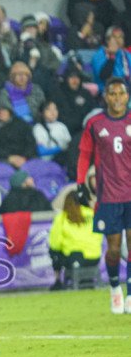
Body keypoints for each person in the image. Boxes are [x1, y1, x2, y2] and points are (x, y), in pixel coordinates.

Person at [76, 77, 131, 313]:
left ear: (127, 96)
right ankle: (115, 287)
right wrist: (80, 183)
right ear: (106, 97)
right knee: (114, 249)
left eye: (121, 93)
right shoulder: (95, 124)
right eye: (112, 94)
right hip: (108, 195)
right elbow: (84, 155)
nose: (117, 98)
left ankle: (130, 293)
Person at [48, 192, 103, 291]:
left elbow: (55, 243)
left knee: (53, 251)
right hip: (95, 258)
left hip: (74, 258)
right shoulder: (92, 214)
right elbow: (100, 235)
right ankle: (86, 279)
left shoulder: (62, 217)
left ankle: (57, 280)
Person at [0, 101, 38, 168]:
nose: (1, 113)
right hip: (2, 158)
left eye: (4, 110)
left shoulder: (21, 123)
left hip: (25, 157)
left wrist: (24, 157)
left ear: (9, 111)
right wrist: (9, 157)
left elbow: (31, 142)